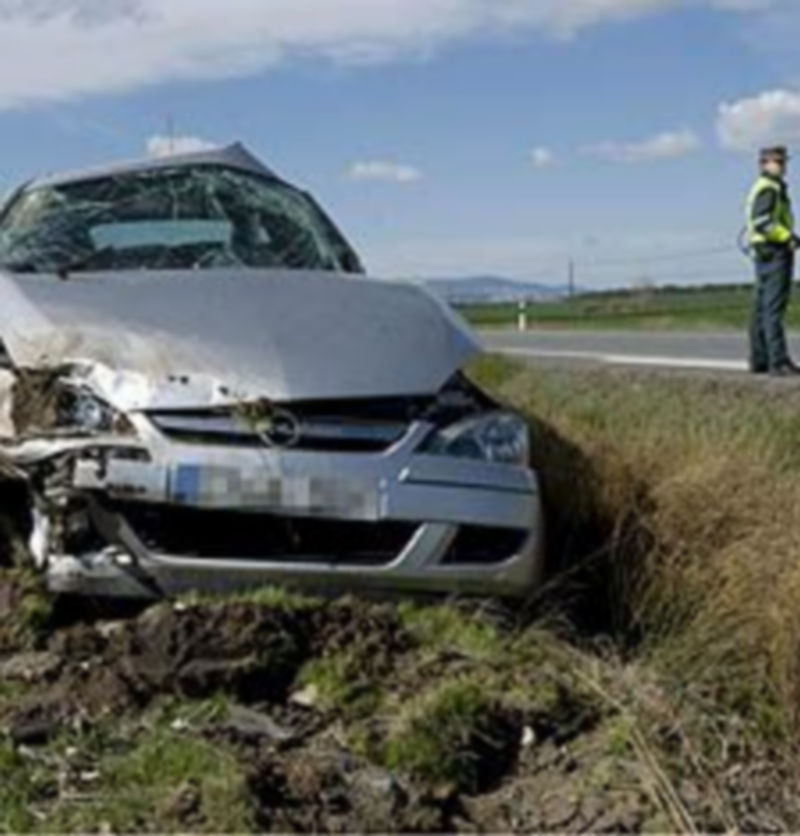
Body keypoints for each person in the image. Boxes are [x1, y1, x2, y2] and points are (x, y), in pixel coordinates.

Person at [747, 146, 800, 376]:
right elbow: (763, 222)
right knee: (772, 308)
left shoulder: (764, 187)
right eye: (777, 162)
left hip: (762, 251)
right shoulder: (769, 189)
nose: (782, 166)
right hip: (775, 250)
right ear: (764, 164)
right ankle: (777, 362)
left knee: (761, 307)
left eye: (783, 161)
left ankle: (759, 359)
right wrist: (788, 236)